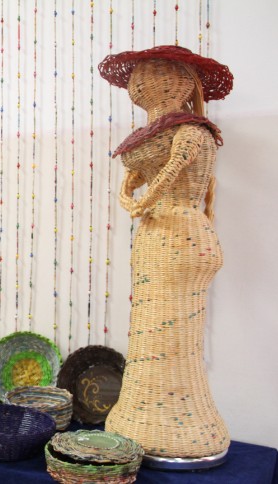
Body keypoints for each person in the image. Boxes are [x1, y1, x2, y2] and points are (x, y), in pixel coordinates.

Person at [99, 45, 233, 459]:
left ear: (183, 83)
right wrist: (132, 200)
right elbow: (134, 181)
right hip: (155, 236)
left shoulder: (192, 131)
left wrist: (140, 202)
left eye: (156, 73)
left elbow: (170, 173)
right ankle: (141, 414)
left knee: (172, 334)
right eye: (139, 76)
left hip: (180, 236)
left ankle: (184, 424)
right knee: (150, 329)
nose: (142, 82)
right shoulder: (155, 134)